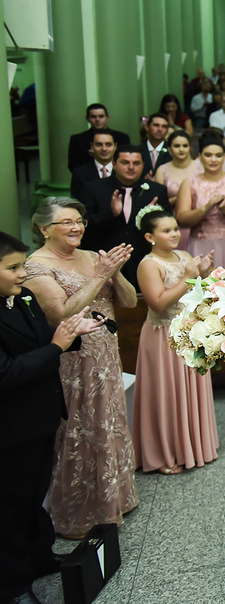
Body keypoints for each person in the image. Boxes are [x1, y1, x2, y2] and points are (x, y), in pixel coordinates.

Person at [23, 198, 139, 539]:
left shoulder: (92, 256)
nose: (77, 228)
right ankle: (80, 510)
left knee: (110, 421)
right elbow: (58, 314)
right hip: (72, 359)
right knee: (80, 426)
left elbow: (130, 302)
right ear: (43, 228)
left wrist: (114, 275)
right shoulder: (35, 267)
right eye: (67, 223)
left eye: (80, 221)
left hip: (106, 352)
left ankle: (116, 498)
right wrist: (98, 277)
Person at [0, 231, 106, 604]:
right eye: (13, 268)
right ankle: (12, 587)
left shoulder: (22, 296)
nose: (23, 275)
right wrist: (56, 346)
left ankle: (40, 558)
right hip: (9, 428)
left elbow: (39, 338)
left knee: (34, 497)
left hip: (40, 416)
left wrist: (69, 333)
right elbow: (6, 373)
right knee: (9, 508)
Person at [131, 208, 218, 474]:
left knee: (190, 389)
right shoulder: (148, 264)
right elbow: (157, 304)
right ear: (150, 236)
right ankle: (166, 453)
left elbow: (196, 294)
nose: (173, 234)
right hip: (163, 336)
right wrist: (189, 276)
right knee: (167, 393)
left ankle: (196, 446)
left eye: (175, 229)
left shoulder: (184, 256)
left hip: (189, 333)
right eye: (166, 230)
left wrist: (206, 271)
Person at [78, 146, 170, 290]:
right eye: (125, 162)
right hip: (105, 260)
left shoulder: (156, 191)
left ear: (143, 165)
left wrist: (149, 218)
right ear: (114, 164)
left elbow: (167, 227)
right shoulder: (94, 189)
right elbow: (83, 228)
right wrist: (111, 214)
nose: (131, 167)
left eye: (136, 163)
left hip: (143, 260)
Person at [176, 134, 225, 269]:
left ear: (224, 157)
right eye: (208, 155)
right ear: (200, 156)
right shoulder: (189, 183)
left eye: (218, 155)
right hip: (201, 244)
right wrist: (207, 207)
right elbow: (182, 219)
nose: (213, 160)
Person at [67, 103, 130, 170]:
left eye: (101, 116)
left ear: (107, 117)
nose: (97, 120)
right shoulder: (77, 140)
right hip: (88, 178)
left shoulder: (122, 138)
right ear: (87, 119)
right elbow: (73, 166)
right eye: (93, 117)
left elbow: (127, 161)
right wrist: (95, 158)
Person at [69, 128, 117, 200]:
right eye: (99, 144)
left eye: (108, 144)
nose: (104, 148)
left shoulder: (123, 171)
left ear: (115, 146)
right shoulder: (79, 173)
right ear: (92, 146)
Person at [139, 112, 173, 179]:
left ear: (167, 130)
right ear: (147, 127)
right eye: (156, 125)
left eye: (164, 127)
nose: (160, 129)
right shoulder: (138, 150)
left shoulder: (172, 151)